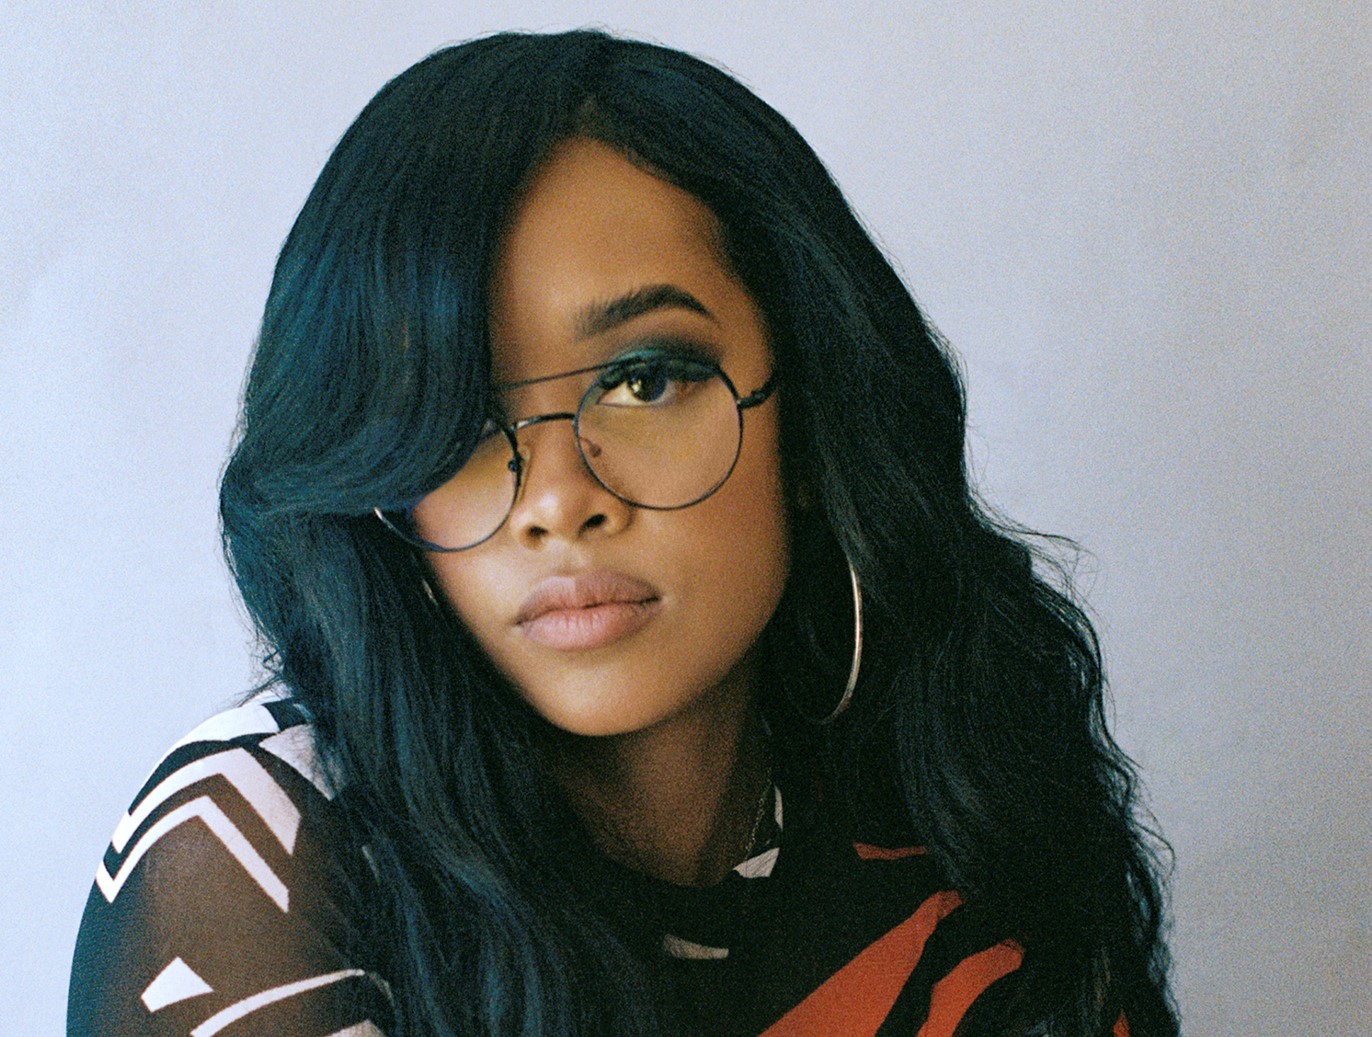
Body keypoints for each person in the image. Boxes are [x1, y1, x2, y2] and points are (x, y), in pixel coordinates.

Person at [68, 29, 1178, 1037]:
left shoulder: (958, 806)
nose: (558, 497)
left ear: (808, 416)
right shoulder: (256, 848)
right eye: (459, 413)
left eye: (645, 378)